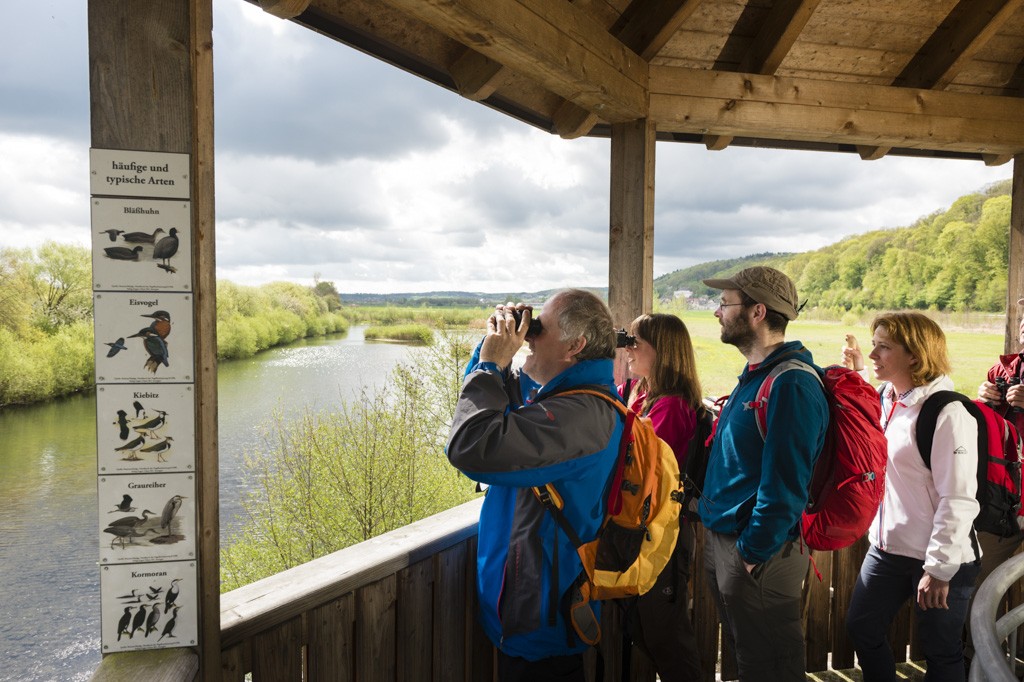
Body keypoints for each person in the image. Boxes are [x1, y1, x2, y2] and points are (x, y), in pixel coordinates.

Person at [446, 289, 621, 682]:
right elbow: (490, 411)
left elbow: (472, 446)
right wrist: (490, 353)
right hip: (528, 605)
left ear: (575, 346)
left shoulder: (581, 417)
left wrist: (492, 362)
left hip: (544, 615)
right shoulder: (561, 401)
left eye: (539, 328)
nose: (530, 335)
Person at [699, 266, 829, 681]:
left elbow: (786, 485)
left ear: (757, 312)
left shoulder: (791, 383)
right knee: (748, 657)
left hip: (759, 553)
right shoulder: (756, 376)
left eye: (724, 303)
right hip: (730, 542)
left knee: (770, 665)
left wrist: (752, 554)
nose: (717, 313)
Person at [846, 312, 981, 682]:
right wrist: (857, 375)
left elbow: (958, 498)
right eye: (873, 345)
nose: (873, 354)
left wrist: (938, 570)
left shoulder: (948, 412)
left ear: (915, 357)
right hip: (888, 550)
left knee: (941, 650)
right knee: (861, 627)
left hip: (941, 558)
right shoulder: (887, 397)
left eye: (884, 347)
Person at [620, 313, 703, 682]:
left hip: (662, 538)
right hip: (645, 535)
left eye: (636, 341)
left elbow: (643, 473)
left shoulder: (671, 407)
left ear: (664, 351)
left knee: (665, 635)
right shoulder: (641, 393)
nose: (628, 348)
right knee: (645, 629)